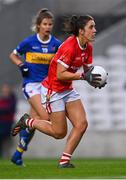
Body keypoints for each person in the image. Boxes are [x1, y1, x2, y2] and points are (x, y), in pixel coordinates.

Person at [11, 14, 107, 168]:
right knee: (59, 133)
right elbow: (60, 74)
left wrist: (95, 80)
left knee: (82, 124)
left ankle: (64, 161)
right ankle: (28, 121)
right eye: (91, 27)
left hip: (67, 89)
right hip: (53, 90)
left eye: (94, 27)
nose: (95, 30)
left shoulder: (88, 47)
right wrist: (83, 76)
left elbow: (87, 70)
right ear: (81, 31)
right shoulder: (69, 47)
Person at [9, 8, 61, 165]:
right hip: (31, 85)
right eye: (45, 24)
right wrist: (20, 64)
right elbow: (13, 54)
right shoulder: (29, 42)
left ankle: (17, 155)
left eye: (50, 24)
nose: (48, 27)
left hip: (46, 86)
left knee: (35, 121)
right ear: (38, 25)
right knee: (45, 117)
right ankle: (24, 124)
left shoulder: (56, 44)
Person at [0, 83, 17, 159]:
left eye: (7, 89)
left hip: (8, 122)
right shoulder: (1, 98)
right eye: (4, 89)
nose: (5, 90)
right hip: (1, 122)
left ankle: (7, 155)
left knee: (6, 138)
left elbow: (10, 109)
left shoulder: (12, 99)